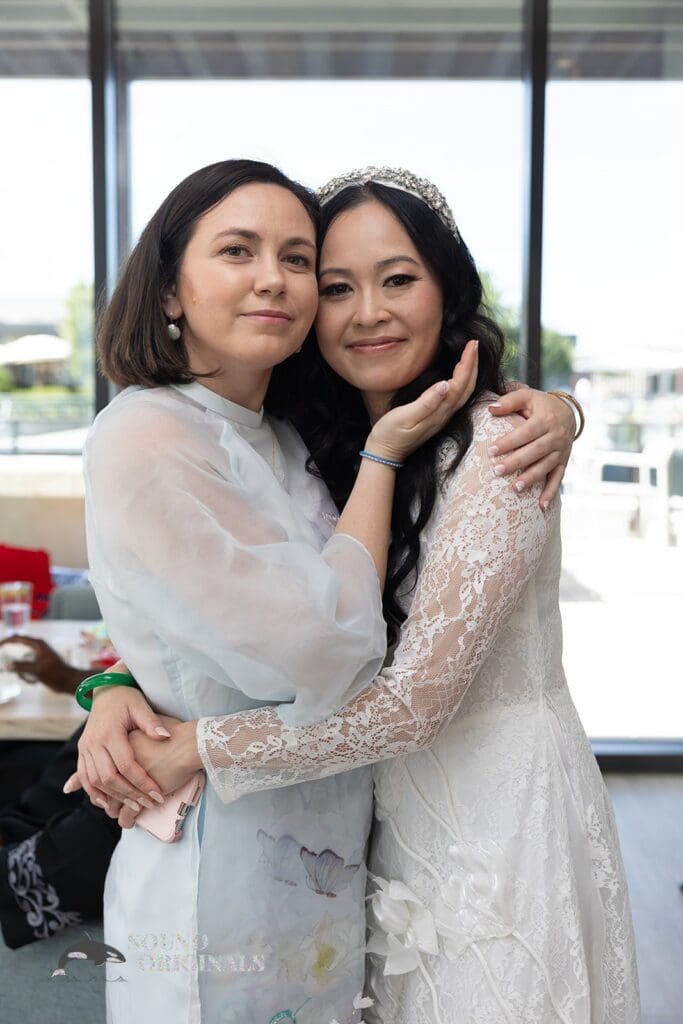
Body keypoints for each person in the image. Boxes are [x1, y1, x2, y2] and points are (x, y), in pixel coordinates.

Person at [74, 166, 637, 1023]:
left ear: (447, 294)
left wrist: (198, 747)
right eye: (336, 284)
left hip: (493, 823)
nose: (365, 310)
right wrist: (116, 683)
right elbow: (227, 600)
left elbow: (411, 703)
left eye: (398, 279)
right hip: (365, 832)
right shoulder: (324, 446)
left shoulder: (494, 446)